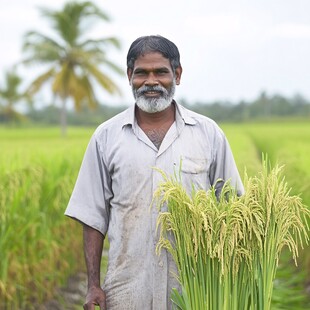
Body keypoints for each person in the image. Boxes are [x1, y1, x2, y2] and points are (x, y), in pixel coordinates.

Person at [65, 35, 244, 310]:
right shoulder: (106, 137)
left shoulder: (208, 134)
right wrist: (92, 285)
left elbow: (234, 209)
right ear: (129, 76)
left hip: (195, 290)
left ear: (177, 74)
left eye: (160, 72)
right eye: (141, 73)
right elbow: (92, 217)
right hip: (127, 290)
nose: (151, 81)